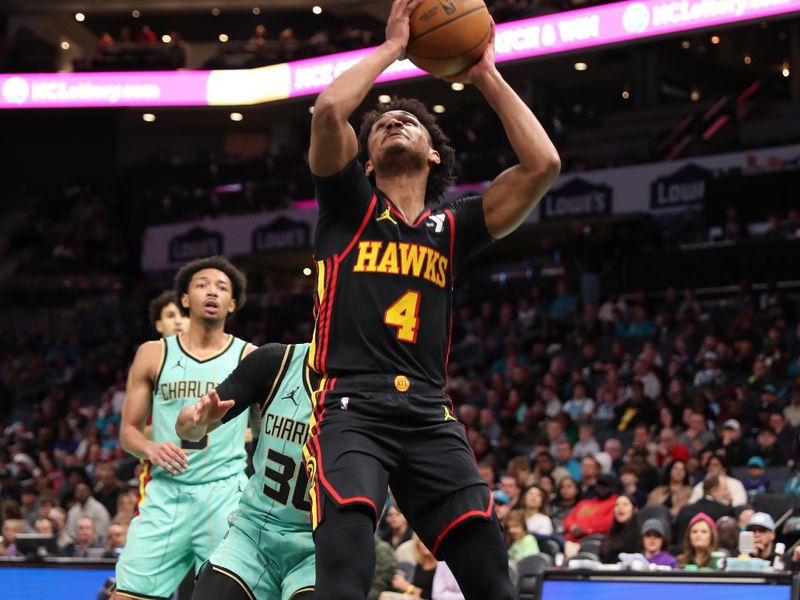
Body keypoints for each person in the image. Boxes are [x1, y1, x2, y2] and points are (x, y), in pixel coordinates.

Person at [305, 0, 560, 598]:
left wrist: (486, 75)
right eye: (382, 124)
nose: (394, 121)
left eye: (409, 121)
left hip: (428, 412)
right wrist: (395, 48)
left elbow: (543, 163)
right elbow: (328, 110)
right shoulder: (348, 206)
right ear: (364, 160)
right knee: (345, 572)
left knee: (491, 577)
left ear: (435, 154)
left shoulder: (456, 227)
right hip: (350, 407)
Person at [114, 256, 254, 600]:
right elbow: (128, 433)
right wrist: (150, 448)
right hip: (166, 493)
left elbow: (265, 431)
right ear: (185, 299)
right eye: (202, 284)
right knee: (126, 596)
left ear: (232, 304)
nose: (213, 291)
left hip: (225, 495)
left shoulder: (250, 356)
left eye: (223, 288)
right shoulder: (152, 354)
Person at [175, 341, 316, 600]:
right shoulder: (275, 361)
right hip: (254, 532)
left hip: (320, 545)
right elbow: (186, 429)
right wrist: (196, 420)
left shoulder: (375, 388)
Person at [675, 473, 734, 542]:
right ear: (713, 491)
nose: (728, 492)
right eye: (725, 488)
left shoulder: (685, 510)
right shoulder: (725, 511)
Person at [563, 474, 617, 542]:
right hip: (569, 539)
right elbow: (568, 519)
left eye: (605, 486)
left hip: (593, 541)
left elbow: (607, 524)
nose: (601, 488)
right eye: (599, 485)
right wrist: (573, 527)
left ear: (612, 488)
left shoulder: (615, 503)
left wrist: (586, 530)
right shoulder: (584, 502)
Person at [598, 494, 641, 563]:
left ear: (634, 510)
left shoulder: (639, 533)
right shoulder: (610, 534)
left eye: (625, 504)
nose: (620, 507)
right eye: (617, 505)